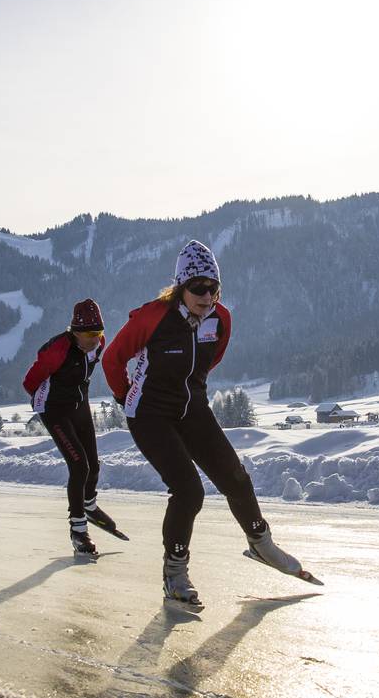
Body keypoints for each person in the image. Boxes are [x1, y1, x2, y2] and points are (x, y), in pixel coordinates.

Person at [102, 240, 304, 609]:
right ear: (180, 286)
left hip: (190, 407)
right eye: (198, 288)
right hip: (149, 414)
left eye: (214, 288)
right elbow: (113, 358)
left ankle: (261, 544)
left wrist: (190, 389)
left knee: (236, 478)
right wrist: (124, 395)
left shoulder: (220, 319)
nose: (207, 296)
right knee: (189, 491)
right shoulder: (152, 317)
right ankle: (175, 574)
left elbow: (212, 358)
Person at [22, 298, 125, 559]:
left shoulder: (98, 344)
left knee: (94, 464)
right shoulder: (57, 350)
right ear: (75, 331)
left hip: (79, 406)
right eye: (90, 333)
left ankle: (88, 504)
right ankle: (78, 529)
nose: (96, 339)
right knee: (79, 466)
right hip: (55, 410)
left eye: (99, 332)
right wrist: (46, 400)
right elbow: (29, 381)